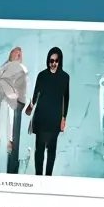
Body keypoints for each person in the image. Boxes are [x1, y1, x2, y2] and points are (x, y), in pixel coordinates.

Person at [23, 46, 70, 175]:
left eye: (56, 61)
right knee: (39, 150)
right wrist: (30, 107)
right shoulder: (42, 75)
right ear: (48, 61)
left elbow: (66, 99)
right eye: (51, 60)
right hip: (41, 118)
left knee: (51, 150)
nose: (53, 63)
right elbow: (35, 94)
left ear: (60, 61)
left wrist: (63, 118)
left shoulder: (65, 77)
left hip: (55, 119)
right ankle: (38, 177)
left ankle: (48, 177)